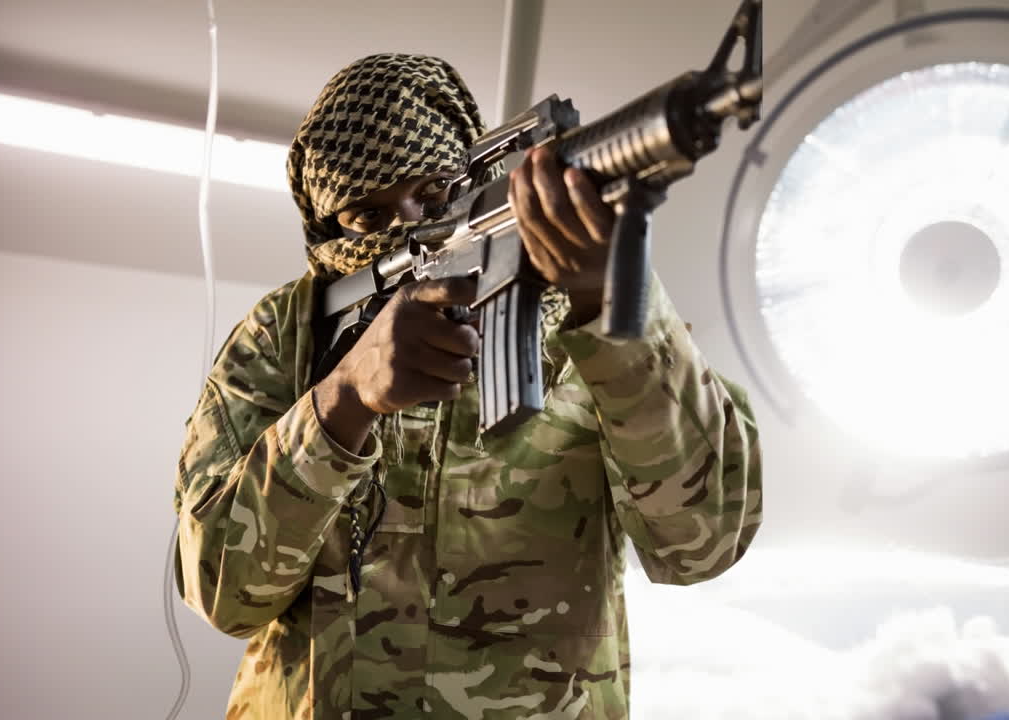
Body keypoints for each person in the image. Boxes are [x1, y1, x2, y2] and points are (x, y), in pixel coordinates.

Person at [174, 53, 762, 720]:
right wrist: (342, 403)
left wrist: (607, 303)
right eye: (367, 216)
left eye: (430, 195)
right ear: (324, 226)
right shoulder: (287, 333)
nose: (405, 224)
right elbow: (222, 593)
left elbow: (703, 543)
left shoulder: (593, 317)